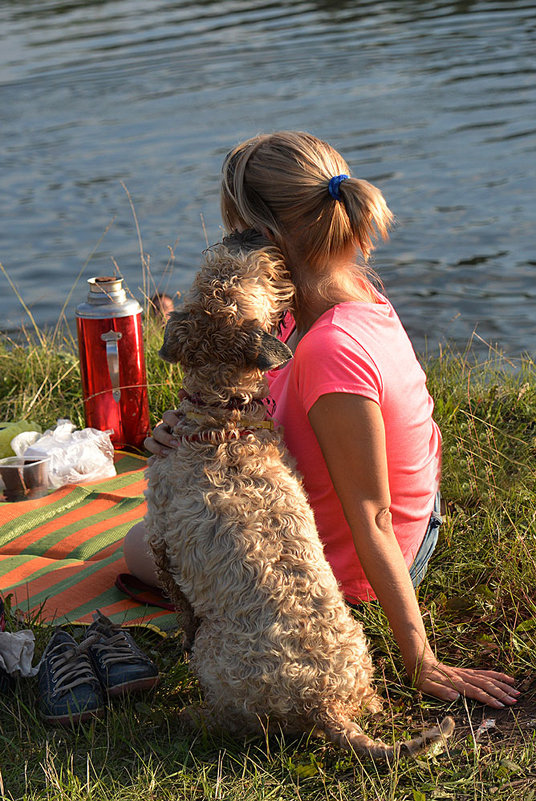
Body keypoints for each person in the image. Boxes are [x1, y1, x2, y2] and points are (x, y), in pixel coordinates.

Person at [125, 131, 518, 710]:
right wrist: (189, 424)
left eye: (235, 230)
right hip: (406, 521)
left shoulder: (330, 350)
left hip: (357, 567)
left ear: (265, 236)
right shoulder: (343, 297)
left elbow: (374, 517)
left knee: (140, 542)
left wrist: (420, 659)